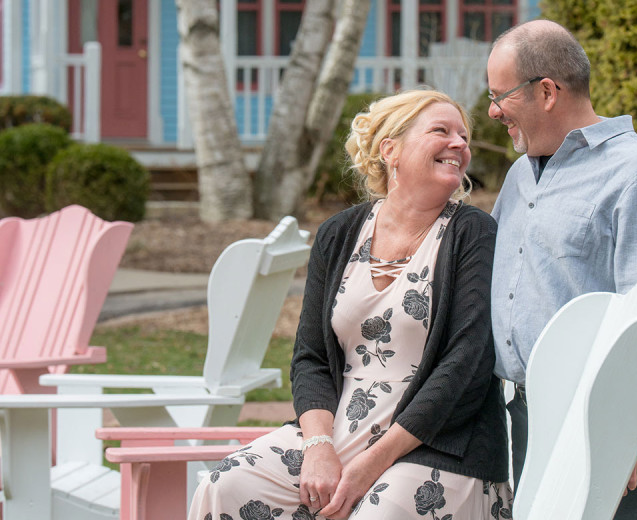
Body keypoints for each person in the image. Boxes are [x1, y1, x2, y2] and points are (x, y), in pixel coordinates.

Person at [188, 89, 511, 520]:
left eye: (464, 137)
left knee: (379, 512)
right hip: (339, 433)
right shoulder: (339, 233)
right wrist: (319, 447)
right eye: (441, 131)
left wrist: (371, 464)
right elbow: (311, 358)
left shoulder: (473, 233)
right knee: (225, 484)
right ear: (390, 149)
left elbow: (465, 367)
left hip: (437, 445)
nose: (460, 145)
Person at [486, 19, 637, 518]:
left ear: (546, 91)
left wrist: (625, 434)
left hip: (595, 429)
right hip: (512, 417)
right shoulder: (522, 172)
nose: (494, 110)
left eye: (501, 96)